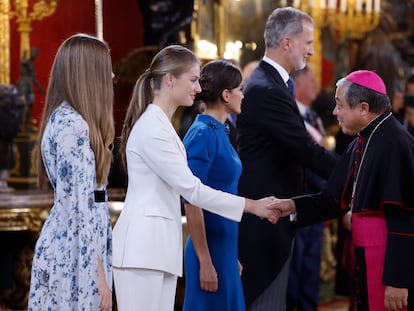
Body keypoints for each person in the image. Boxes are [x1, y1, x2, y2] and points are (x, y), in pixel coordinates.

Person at [111, 45, 280, 311]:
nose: (198, 89)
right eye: (192, 80)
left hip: (158, 249)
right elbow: (193, 190)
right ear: (170, 80)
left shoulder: (162, 125)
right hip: (142, 249)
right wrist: (251, 205)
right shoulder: (152, 128)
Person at [275, 70, 414, 311]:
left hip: (385, 259)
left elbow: (405, 217)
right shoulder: (361, 140)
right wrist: (293, 206)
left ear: (363, 107)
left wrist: (398, 281)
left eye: (340, 105)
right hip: (366, 253)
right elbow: (333, 199)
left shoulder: (396, 143)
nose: (334, 112)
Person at [236, 7, 338, 310]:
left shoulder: (274, 84)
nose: (311, 50)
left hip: (276, 216)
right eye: (308, 42)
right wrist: (357, 168)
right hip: (263, 222)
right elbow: (305, 149)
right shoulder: (267, 89)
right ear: (287, 43)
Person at [28, 34, 114, 311]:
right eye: (105, 68)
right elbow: (79, 208)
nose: (112, 75)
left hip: (80, 250)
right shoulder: (71, 126)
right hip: (76, 257)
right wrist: (99, 276)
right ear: (89, 75)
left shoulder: (69, 120)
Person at [181, 60, 245, 310]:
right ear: (226, 94)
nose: (243, 94)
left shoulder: (220, 130)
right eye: (240, 88)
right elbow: (191, 200)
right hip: (208, 250)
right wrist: (205, 260)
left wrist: (230, 256)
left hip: (224, 247)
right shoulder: (203, 134)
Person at [287, 66, 327, 311]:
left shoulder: (314, 116)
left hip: (319, 200)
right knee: (297, 265)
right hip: (300, 198)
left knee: (312, 264)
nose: (316, 85)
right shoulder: (292, 116)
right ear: (298, 84)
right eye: (312, 80)